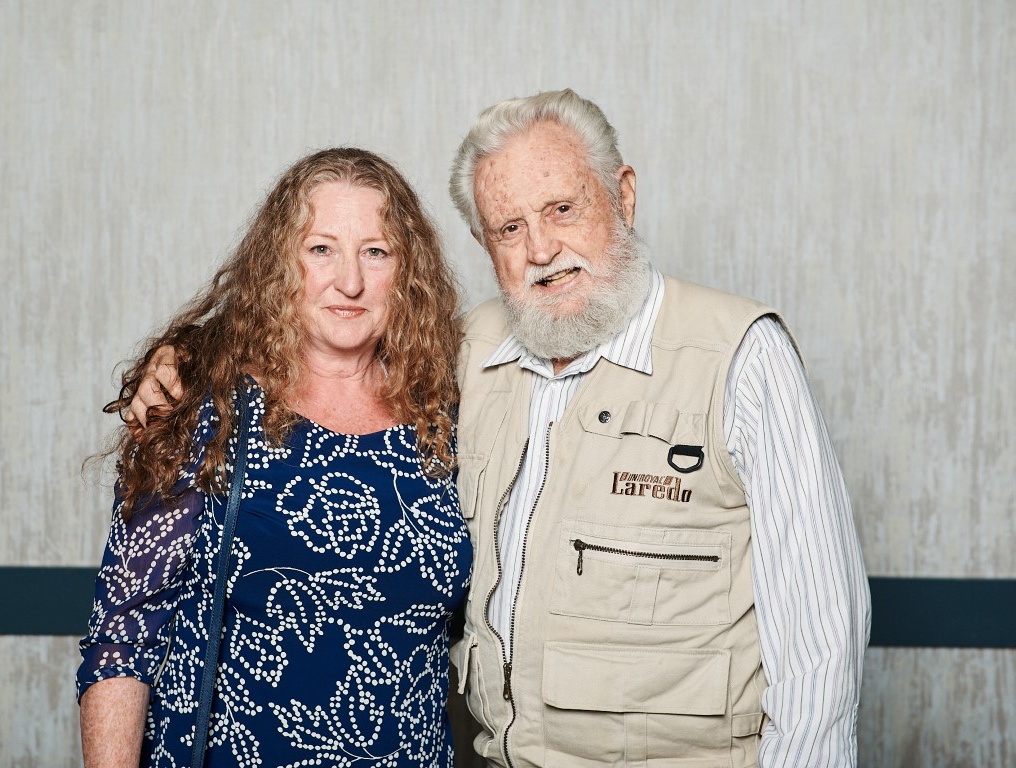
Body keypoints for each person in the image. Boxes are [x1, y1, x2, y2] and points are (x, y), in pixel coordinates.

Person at [133, 90, 871, 768]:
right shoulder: (466, 354)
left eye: (562, 209)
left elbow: (820, 647)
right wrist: (187, 359)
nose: (541, 249)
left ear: (623, 195)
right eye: (509, 228)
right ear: (485, 244)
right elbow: (330, 347)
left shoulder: (741, 357)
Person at [77, 148, 472, 768]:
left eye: (376, 251)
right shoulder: (203, 405)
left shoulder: (448, 412)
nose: (350, 281)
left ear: (408, 270)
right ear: (279, 264)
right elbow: (123, 636)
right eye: (321, 249)